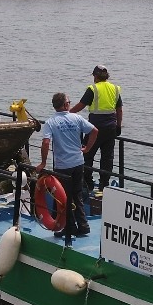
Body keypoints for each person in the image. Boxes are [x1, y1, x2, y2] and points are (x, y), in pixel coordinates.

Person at [38, 91, 98, 239]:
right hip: (78, 162)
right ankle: (83, 225)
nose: (70, 104)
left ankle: (69, 227)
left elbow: (46, 143)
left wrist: (43, 162)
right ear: (65, 105)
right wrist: (87, 148)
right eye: (69, 102)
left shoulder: (51, 122)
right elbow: (94, 131)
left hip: (63, 165)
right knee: (76, 195)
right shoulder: (76, 117)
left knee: (63, 198)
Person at [70, 64, 122, 194]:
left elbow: (81, 105)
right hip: (111, 128)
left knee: (87, 155)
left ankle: (88, 183)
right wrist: (118, 126)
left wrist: (68, 114)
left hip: (95, 127)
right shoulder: (114, 88)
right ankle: (104, 186)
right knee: (107, 158)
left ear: (95, 76)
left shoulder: (93, 89)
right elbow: (119, 109)